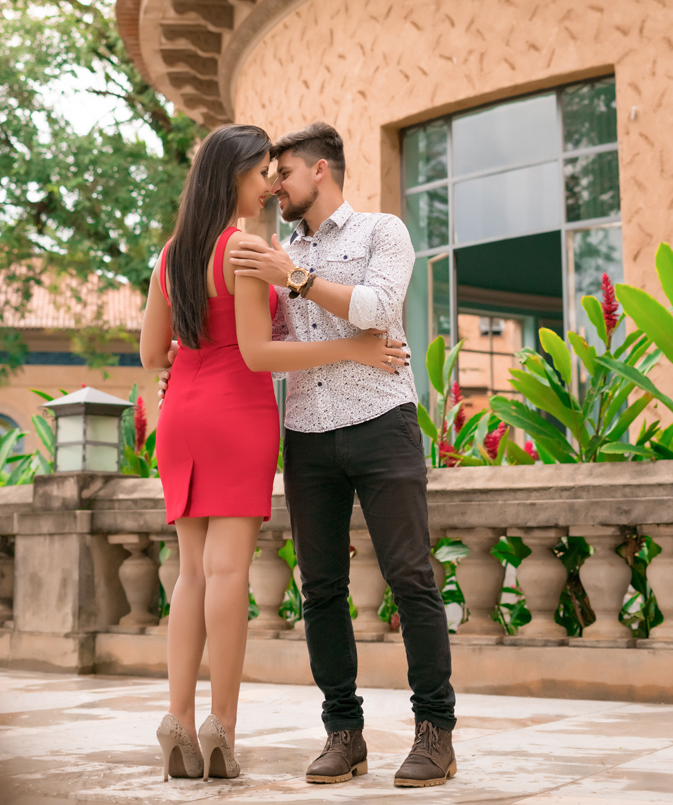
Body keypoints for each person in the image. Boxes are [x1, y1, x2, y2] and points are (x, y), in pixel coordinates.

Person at [140, 123, 407, 784]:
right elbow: (259, 354)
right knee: (228, 573)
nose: (269, 184)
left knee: (191, 574)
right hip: (237, 414)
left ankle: (177, 718)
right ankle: (221, 728)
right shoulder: (244, 249)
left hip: (182, 418)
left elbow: (150, 355)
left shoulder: (170, 255)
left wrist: (188, 359)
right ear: (233, 175)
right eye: (262, 171)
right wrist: (353, 348)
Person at [229, 121, 458, 790]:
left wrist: (295, 277)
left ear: (320, 170)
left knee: (410, 576)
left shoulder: (381, 232)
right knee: (320, 588)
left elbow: (378, 309)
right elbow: (266, 343)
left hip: (383, 420)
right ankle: (343, 733)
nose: (275, 187)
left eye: (284, 174)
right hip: (306, 432)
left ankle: (436, 733)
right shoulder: (277, 254)